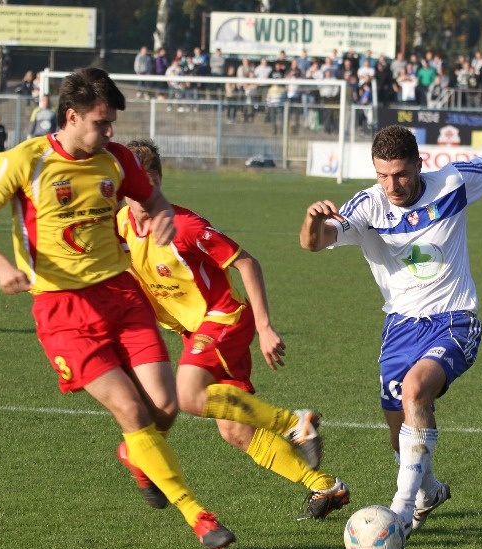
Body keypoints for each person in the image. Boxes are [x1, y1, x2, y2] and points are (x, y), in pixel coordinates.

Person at [0, 67, 235, 549]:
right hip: (62, 309)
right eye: (101, 124)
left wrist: (163, 215)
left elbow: (156, 198)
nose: (110, 134)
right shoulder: (22, 162)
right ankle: (200, 516)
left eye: (112, 126)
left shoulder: (117, 159)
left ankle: (135, 453)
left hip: (123, 298)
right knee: (128, 408)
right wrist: (1, 268)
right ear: (72, 116)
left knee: (163, 409)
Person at [298, 125, 482, 548]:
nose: (392, 185)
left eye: (400, 174)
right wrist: (313, 220)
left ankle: (399, 514)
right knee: (397, 423)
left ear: (419, 164)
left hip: (456, 318)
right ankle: (428, 490)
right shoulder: (367, 206)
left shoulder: (452, 182)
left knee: (416, 391)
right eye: (383, 176)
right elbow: (315, 243)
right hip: (400, 325)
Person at [117, 138, 350, 521]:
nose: (146, 195)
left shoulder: (184, 226)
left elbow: (247, 263)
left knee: (188, 395)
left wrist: (265, 327)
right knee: (235, 432)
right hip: (194, 332)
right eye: (137, 187)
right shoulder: (121, 227)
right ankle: (324, 485)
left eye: (153, 183)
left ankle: (296, 423)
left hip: (224, 319)